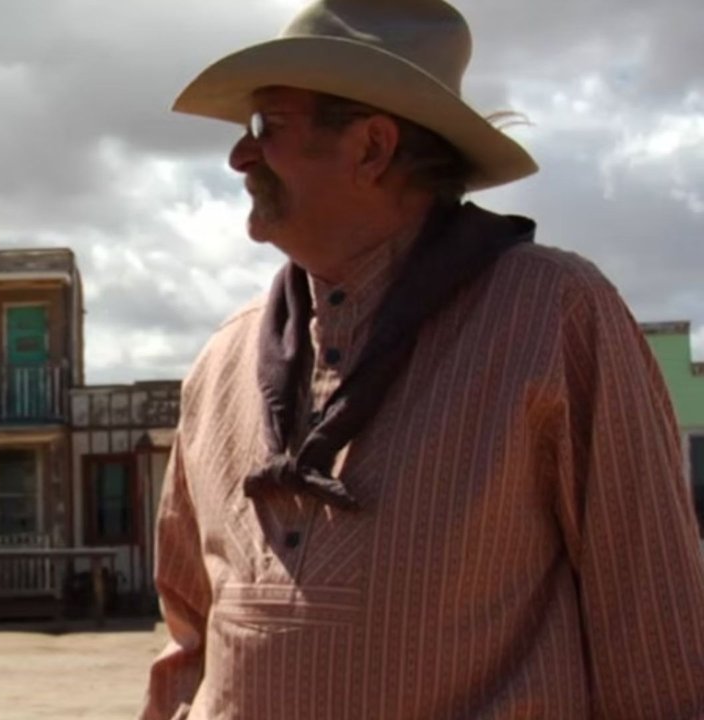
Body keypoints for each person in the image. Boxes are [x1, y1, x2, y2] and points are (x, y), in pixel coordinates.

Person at [140, 0, 704, 718]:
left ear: (372, 147)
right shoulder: (224, 358)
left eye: (267, 126)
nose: (239, 157)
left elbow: (653, 627)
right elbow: (189, 637)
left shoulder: (553, 315)